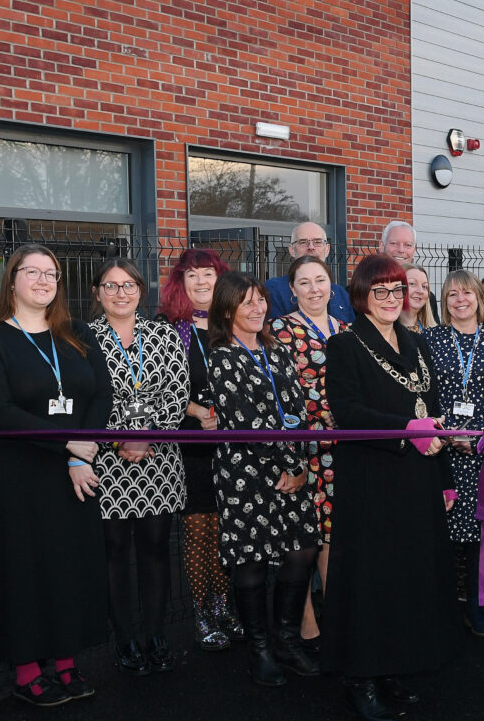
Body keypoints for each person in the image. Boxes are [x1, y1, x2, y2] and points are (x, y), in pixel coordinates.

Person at [0, 244, 113, 706]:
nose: (43, 280)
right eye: (32, 272)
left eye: (50, 273)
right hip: (19, 476)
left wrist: (80, 454)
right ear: (11, 281)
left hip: (73, 473)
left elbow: (101, 395)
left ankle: (66, 664)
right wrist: (66, 443)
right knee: (26, 572)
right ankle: (28, 670)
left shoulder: (77, 332)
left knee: (70, 567)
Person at [324, 254, 457, 720]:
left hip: (419, 478)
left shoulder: (416, 342)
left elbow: (434, 408)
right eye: (379, 290)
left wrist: (444, 480)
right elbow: (348, 411)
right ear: (361, 295)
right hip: (371, 481)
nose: (389, 299)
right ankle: (361, 678)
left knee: (408, 578)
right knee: (370, 581)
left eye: (396, 290)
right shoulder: (344, 346)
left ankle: (397, 667)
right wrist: (408, 429)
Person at [205, 272, 322, 688]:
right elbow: (244, 421)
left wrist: (301, 464)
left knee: (302, 550)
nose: (258, 309)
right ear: (226, 309)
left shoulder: (276, 352)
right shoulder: (219, 356)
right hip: (245, 474)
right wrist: (284, 468)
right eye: (247, 303)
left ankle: (286, 641)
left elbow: (298, 413)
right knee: (250, 562)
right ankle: (259, 649)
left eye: (260, 301)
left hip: (292, 467)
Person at [87, 260, 190, 675]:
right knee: (113, 553)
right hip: (108, 464)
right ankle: (125, 638)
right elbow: (84, 394)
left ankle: (155, 634)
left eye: (128, 285)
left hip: (159, 460)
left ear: (140, 290)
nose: (120, 293)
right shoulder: (82, 339)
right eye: (110, 286)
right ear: (97, 293)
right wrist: (120, 437)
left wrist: (147, 433)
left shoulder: (162, 334)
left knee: (155, 550)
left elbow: (177, 392)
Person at [159, 248, 241, 651]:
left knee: (226, 529)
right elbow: (160, 384)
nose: (201, 282)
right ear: (180, 282)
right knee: (197, 531)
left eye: (208, 273)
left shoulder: (234, 323)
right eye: (191, 275)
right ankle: (200, 612)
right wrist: (197, 411)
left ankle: (223, 605)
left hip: (232, 446)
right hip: (190, 442)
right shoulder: (168, 328)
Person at [268, 255, 349, 652]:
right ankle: (306, 623)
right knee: (302, 539)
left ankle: (337, 615)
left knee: (334, 535)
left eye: (321, 281)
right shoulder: (279, 331)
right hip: (301, 449)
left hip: (342, 451)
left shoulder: (348, 331)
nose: (314, 289)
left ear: (332, 286)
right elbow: (278, 394)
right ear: (292, 289)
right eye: (305, 282)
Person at [423, 269, 484, 637]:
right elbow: (421, 393)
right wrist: (444, 432)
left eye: (467, 293)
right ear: (444, 301)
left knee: (480, 535)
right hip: (441, 452)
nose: (460, 300)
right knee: (442, 532)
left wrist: (483, 435)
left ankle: (476, 605)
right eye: (452, 294)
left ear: (479, 299)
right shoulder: (429, 338)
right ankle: (440, 605)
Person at [264, 221, 355, 323]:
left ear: (327, 249)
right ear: (292, 250)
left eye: (318, 242)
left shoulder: (340, 293)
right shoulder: (274, 290)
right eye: (303, 242)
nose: (311, 247)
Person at [381, 220, 436, 319]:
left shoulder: (426, 298)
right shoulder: (363, 291)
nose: (401, 250)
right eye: (394, 243)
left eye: (408, 245)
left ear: (414, 251)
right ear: (382, 247)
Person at [401, 263, 438, 332]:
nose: (420, 291)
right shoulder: (387, 330)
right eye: (412, 284)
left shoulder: (435, 332)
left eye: (424, 286)